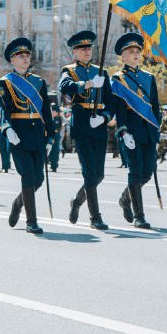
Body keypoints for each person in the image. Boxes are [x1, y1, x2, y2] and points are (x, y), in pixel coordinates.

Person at [0, 38, 54, 235]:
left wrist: (51, 138)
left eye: (27, 55)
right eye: (20, 56)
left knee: (38, 180)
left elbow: (46, 111)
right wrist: (7, 128)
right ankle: (32, 221)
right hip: (18, 135)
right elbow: (4, 110)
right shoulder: (6, 82)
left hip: (37, 134)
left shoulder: (38, 82)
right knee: (28, 176)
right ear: (12, 60)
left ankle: (18, 202)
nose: (25, 58)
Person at [58, 30, 112, 229]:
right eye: (82, 48)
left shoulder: (102, 71)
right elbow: (65, 87)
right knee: (89, 173)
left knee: (99, 175)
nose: (87, 51)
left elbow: (111, 101)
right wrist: (87, 84)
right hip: (81, 122)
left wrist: (105, 116)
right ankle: (95, 217)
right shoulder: (69, 70)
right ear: (75, 52)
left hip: (98, 123)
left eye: (89, 47)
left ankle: (77, 201)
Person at [110, 32, 161, 229]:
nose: (136, 55)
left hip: (148, 131)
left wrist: (156, 128)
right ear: (122, 56)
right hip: (130, 130)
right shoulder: (118, 79)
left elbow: (155, 106)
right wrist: (123, 131)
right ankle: (140, 215)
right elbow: (120, 108)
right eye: (131, 52)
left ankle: (125, 198)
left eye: (138, 51)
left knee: (147, 172)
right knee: (136, 171)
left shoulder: (149, 78)